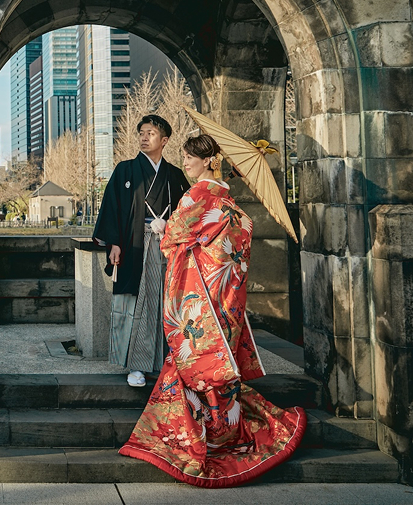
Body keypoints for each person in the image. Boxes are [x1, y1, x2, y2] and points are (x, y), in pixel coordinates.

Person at [119, 134, 305, 487]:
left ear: (209, 161)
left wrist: (162, 225)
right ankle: (221, 429)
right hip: (224, 296)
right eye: (185, 156)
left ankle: (199, 439)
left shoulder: (197, 195)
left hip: (199, 296)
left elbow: (173, 237)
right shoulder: (228, 201)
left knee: (195, 361)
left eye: (190, 157)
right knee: (215, 361)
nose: (185, 162)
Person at [94, 114, 190, 387]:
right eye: (142, 133)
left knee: (163, 303)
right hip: (133, 244)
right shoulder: (125, 170)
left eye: (150, 133)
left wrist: (169, 225)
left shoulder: (175, 175)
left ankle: (162, 363)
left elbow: (187, 213)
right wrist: (114, 243)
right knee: (134, 303)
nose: (144, 137)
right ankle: (135, 366)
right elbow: (112, 208)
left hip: (166, 246)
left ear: (165, 140)